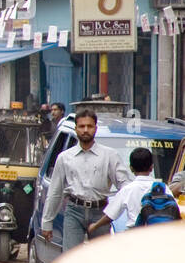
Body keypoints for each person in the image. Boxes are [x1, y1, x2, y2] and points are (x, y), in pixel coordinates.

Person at [40, 108, 132, 254]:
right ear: (76, 129)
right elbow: (55, 192)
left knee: (101, 259)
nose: (85, 130)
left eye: (89, 126)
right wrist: (47, 222)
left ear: (95, 128)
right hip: (73, 211)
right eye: (82, 126)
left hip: (100, 212)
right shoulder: (65, 157)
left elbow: (126, 187)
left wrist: (115, 211)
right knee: (70, 258)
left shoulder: (109, 155)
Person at [87, 147, 159, 238]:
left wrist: (95, 226)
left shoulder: (128, 190)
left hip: (135, 235)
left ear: (131, 168)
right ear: (152, 167)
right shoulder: (163, 187)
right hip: (158, 235)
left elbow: (110, 216)